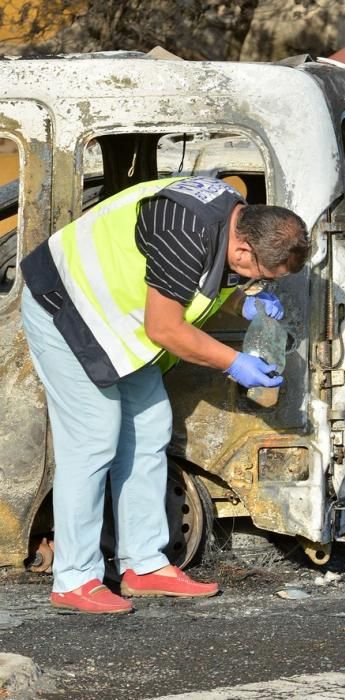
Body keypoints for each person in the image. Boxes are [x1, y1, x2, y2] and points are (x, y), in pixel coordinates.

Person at [20, 175, 309, 615]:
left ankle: (143, 565)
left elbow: (198, 280)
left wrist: (244, 300)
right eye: (259, 275)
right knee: (94, 439)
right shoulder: (182, 230)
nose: (258, 282)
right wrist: (234, 363)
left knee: (150, 426)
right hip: (66, 308)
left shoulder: (235, 217)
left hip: (115, 321)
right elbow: (165, 328)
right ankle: (75, 577)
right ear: (246, 248)